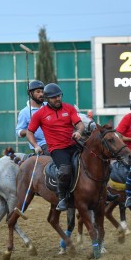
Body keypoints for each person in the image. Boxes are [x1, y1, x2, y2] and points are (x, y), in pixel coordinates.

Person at [26, 83, 85, 211]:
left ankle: (103, 190)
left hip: (73, 144)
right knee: (65, 170)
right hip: (57, 149)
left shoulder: (69, 108)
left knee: (94, 159)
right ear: (47, 99)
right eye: (53, 97)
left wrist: (79, 132)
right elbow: (29, 132)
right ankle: (62, 197)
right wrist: (35, 145)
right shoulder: (40, 114)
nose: (57, 99)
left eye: (58, 96)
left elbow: (80, 124)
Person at [15, 80, 50, 155]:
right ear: (30, 93)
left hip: (57, 141)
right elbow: (18, 131)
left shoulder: (49, 106)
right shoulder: (24, 112)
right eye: (38, 92)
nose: (41, 94)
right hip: (42, 146)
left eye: (42, 91)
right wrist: (28, 131)